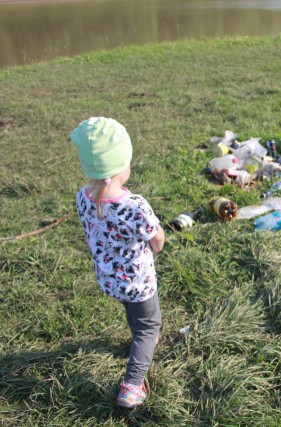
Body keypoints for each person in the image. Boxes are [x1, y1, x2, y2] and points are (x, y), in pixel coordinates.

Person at [70, 117, 165, 408]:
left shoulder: (83, 197)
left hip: (109, 280)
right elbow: (157, 239)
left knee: (134, 315)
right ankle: (132, 387)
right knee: (150, 325)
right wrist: (155, 247)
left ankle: (136, 340)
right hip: (138, 284)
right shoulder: (135, 205)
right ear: (119, 165)